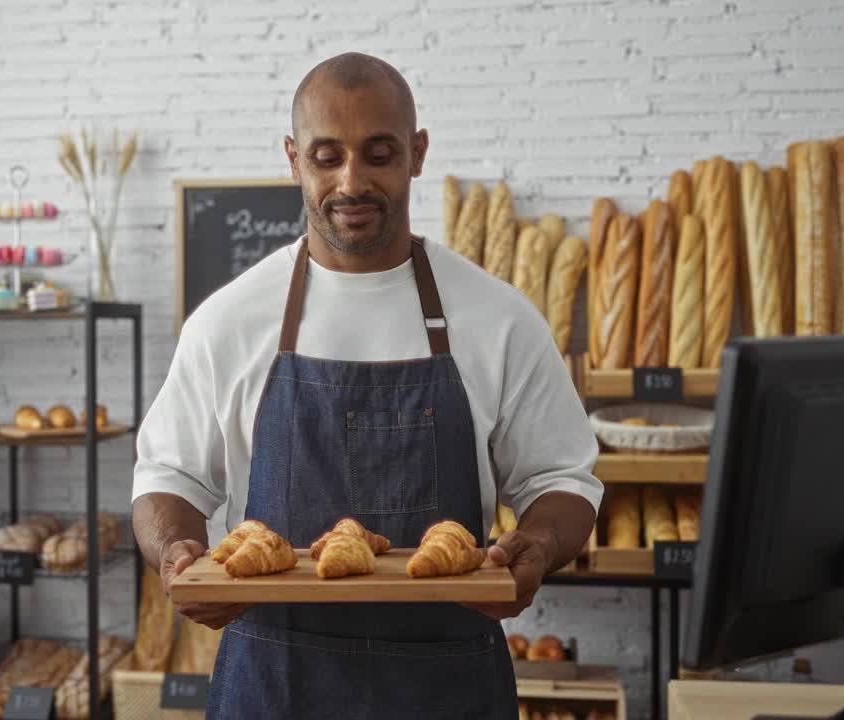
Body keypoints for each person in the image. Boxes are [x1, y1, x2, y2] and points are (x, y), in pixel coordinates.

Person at [132, 52, 602, 719]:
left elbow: (564, 478)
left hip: (448, 692)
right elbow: (167, 478)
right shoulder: (230, 321)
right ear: (294, 159)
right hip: (273, 688)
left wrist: (543, 545)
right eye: (327, 157)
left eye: (378, 155)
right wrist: (175, 552)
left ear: (417, 153)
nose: (351, 181)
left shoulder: (497, 318)